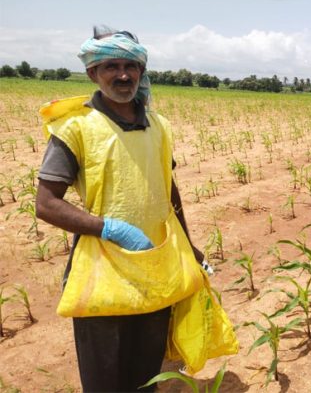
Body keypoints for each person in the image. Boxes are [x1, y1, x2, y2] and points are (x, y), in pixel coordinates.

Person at [35, 26, 207, 392]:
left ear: (142, 72)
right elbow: (47, 204)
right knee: (105, 382)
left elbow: (168, 191)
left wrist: (189, 249)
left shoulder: (159, 126)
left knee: (147, 376)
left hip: (154, 266)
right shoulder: (76, 127)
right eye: (111, 66)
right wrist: (109, 228)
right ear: (92, 74)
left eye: (131, 65)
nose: (123, 74)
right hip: (103, 274)